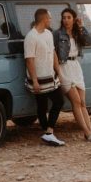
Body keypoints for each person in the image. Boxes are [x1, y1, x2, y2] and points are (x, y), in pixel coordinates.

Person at [54, 7, 91, 142]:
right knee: (76, 101)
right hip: (64, 67)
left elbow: (88, 42)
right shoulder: (57, 34)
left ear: (74, 19)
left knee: (83, 102)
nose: (66, 20)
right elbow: (53, 53)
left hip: (76, 67)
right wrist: (57, 72)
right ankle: (86, 131)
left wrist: (81, 27)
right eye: (64, 18)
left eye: (69, 17)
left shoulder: (76, 33)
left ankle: (90, 132)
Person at [24, 8, 66, 146]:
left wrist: (58, 70)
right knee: (42, 106)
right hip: (39, 78)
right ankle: (48, 132)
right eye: (49, 18)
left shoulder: (48, 33)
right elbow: (29, 60)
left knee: (58, 101)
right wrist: (35, 80)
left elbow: (52, 52)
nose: (51, 20)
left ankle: (48, 132)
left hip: (51, 76)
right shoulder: (31, 37)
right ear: (43, 19)